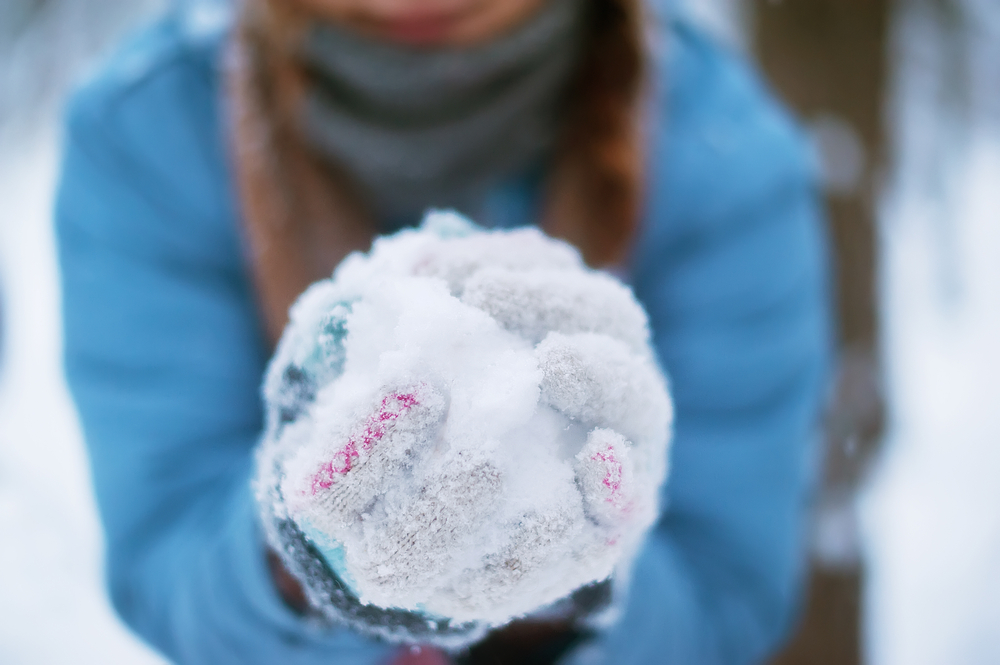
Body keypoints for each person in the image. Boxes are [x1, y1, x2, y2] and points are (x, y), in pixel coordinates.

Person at [55, 0, 832, 663]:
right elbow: (164, 557)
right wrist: (294, 558)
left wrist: (576, 578)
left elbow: (726, 600)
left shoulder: (729, 165)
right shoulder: (149, 134)